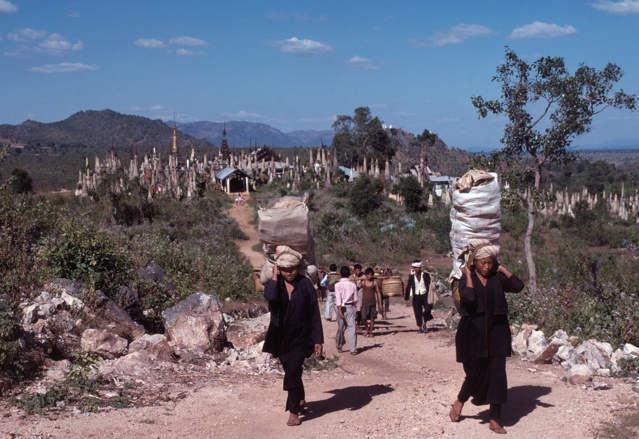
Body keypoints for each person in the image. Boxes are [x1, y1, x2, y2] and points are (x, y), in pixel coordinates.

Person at [449, 241, 524, 435]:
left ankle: (494, 419)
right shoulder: (467, 278)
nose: (487, 267)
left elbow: (517, 286)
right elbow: (470, 299)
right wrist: (467, 275)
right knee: (476, 374)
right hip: (473, 334)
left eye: (491, 263)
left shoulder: (497, 278)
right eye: (483, 263)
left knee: (498, 375)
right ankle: (460, 401)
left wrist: (504, 269)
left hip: (497, 333)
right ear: (475, 263)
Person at [262, 246, 324, 427]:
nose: (289, 273)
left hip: (301, 336)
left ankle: (293, 411)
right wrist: (274, 275)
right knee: (292, 370)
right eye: (285, 270)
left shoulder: (305, 285)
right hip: (280, 337)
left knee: (293, 370)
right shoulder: (275, 285)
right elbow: (271, 297)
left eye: (292, 269)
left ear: (298, 267)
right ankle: (301, 397)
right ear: (279, 269)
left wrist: (318, 340)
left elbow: (314, 314)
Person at [404, 260, 436, 333]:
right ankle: (420, 327)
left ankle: (425, 323)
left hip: (425, 295)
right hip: (416, 297)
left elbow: (431, 283)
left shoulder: (425, 275)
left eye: (418, 268)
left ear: (420, 267)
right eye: (416, 268)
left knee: (428, 309)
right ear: (414, 268)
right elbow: (408, 287)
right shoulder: (412, 277)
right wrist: (407, 299)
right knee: (417, 312)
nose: (417, 269)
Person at [334, 265, 359, 355]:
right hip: (350, 307)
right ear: (349, 274)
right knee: (351, 328)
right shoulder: (352, 285)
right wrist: (354, 308)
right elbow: (356, 299)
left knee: (341, 328)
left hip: (340, 308)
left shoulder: (337, 285)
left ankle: (339, 345)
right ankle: (353, 349)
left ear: (340, 274)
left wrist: (340, 310)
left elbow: (338, 300)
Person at [360, 267, 384, 337]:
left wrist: (380, 304)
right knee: (364, 318)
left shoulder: (375, 283)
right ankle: (366, 329)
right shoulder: (363, 283)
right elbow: (356, 289)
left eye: (371, 275)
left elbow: (378, 293)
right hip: (364, 303)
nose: (370, 276)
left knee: (372, 318)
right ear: (366, 275)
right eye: (368, 275)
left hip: (372, 303)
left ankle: (370, 332)